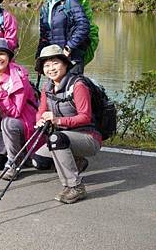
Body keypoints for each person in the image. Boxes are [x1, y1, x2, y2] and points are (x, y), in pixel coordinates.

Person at [32, 44, 101, 204]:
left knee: (56, 139)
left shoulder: (78, 85)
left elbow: (85, 117)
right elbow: (40, 111)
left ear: (65, 64)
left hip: (88, 137)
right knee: (39, 161)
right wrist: (40, 120)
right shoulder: (47, 87)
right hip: (65, 137)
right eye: (46, 65)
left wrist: (57, 120)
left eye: (55, 63)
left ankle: (75, 187)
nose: (51, 68)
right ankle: (77, 161)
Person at [0, 37, 39, 180]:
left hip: (25, 124)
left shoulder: (19, 77)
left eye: (1, 54)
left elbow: (16, 112)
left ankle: (14, 162)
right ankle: (19, 154)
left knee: (8, 122)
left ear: (8, 56)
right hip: (4, 130)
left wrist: (1, 93)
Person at [37, 0, 90, 75]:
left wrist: (69, 46)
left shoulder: (70, 1)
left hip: (72, 56)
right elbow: (44, 35)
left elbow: (84, 25)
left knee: (72, 87)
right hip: (53, 57)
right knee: (55, 89)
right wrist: (39, 55)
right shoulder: (45, 5)